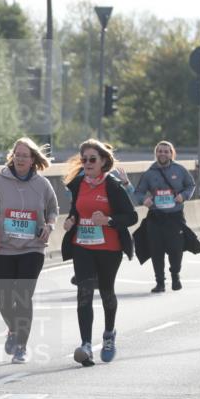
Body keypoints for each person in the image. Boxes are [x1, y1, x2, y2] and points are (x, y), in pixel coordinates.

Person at [0, 138, 59, 364]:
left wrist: (49, 226)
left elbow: (53, 209)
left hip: (32, 248)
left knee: (23, 296)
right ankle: (14, 329)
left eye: (25, 155)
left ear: (33, 159)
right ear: (12, 157)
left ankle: (21, 347)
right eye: (17, 155)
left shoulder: (42, 184)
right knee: (3, 299)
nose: (20, 159)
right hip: (5, 247)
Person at [61, 140, 137, 367]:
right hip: (82, 246)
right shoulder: (78, 183)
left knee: (106, 292)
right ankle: (86, 345)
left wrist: (108, 220)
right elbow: (75, 210)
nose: (87, 163)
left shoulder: (113, 186)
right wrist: (70, 220)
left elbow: (131, 217)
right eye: (84, 159)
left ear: (103, 161)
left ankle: (109, 334)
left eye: (92, 159)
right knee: (84, 292)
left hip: (109, 248)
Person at [133, 141, 196, 293]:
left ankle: (175, 275)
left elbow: (191, 185)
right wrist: (144, 200)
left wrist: (183, 196)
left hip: (175, 217)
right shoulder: (149, 173)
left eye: (166, 151)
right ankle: (160, 282)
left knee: (176, 249)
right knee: (156, 251)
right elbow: (138, 192)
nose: (163, 154)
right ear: (156, 153)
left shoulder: (180, 170)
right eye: (160, 151)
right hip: (156, 217)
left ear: (171, 154)